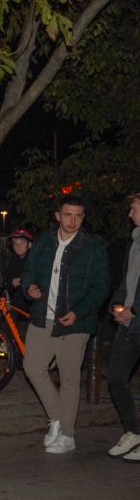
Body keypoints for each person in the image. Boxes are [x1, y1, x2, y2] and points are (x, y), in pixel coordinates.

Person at [20, 194, 108, 454]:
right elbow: (29, 274)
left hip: (74, 321)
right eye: (68, 215)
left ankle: (67, 434)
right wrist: (29, 289)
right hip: (42, 316)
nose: (73, 220)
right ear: (57, 216)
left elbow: (100, 286)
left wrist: (78, 313)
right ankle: (58, 419)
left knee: (69, 377)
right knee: (33, 367)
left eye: (78, 215)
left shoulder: (93, 246)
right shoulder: (44, 243)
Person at [107, 194, 140, 461]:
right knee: (117, 377)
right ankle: (133, 432)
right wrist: (117, 304)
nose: (130, 213)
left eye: (134, 208)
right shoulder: (135, 243)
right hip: (129, 324)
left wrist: (135, 310)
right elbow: (127, 282)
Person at [3, 228, 34, 305]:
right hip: (14, 302)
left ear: (29, 244)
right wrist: (11, 282)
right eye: (15, 244)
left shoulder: (34, 261)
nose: (18, 246)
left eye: (22, 243)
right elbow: (5, 278)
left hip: (29, 305)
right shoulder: (13, 260)